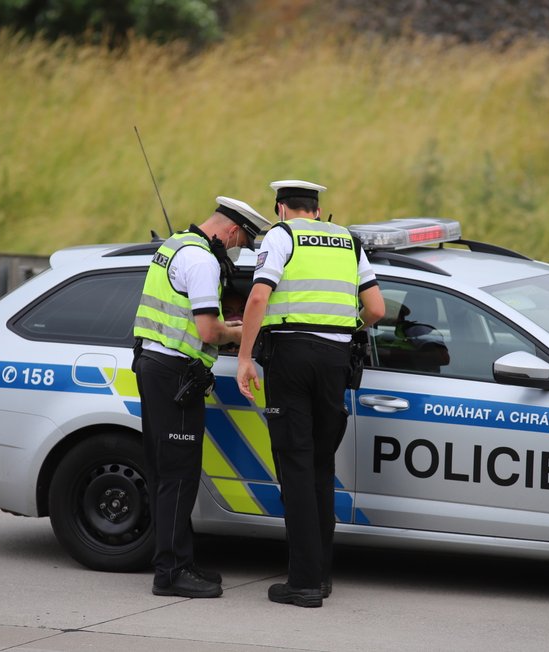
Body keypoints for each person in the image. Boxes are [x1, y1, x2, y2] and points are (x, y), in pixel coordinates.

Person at [236, 179, 384, 607]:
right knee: (320, 467)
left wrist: (245, 357)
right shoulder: (348, 242)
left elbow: (259, 297)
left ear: (281, 208)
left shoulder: (282, 237)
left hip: (291, 359)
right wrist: (341, 332)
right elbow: (375, 309)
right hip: (335, 361)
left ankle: (302, 583)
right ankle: (320, 575)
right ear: (318, 211)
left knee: (295, 467)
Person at [133, 196, 270, 598]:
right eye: (241, 241)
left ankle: (178, 560)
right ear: (230, 231)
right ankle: (172, 573)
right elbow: (208, 331)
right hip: (175, 373)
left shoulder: (173, 245)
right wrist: (242, 330)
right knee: (178, 475)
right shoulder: (202, 261)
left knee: (164, 473)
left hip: (155, 366)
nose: (237, 249)